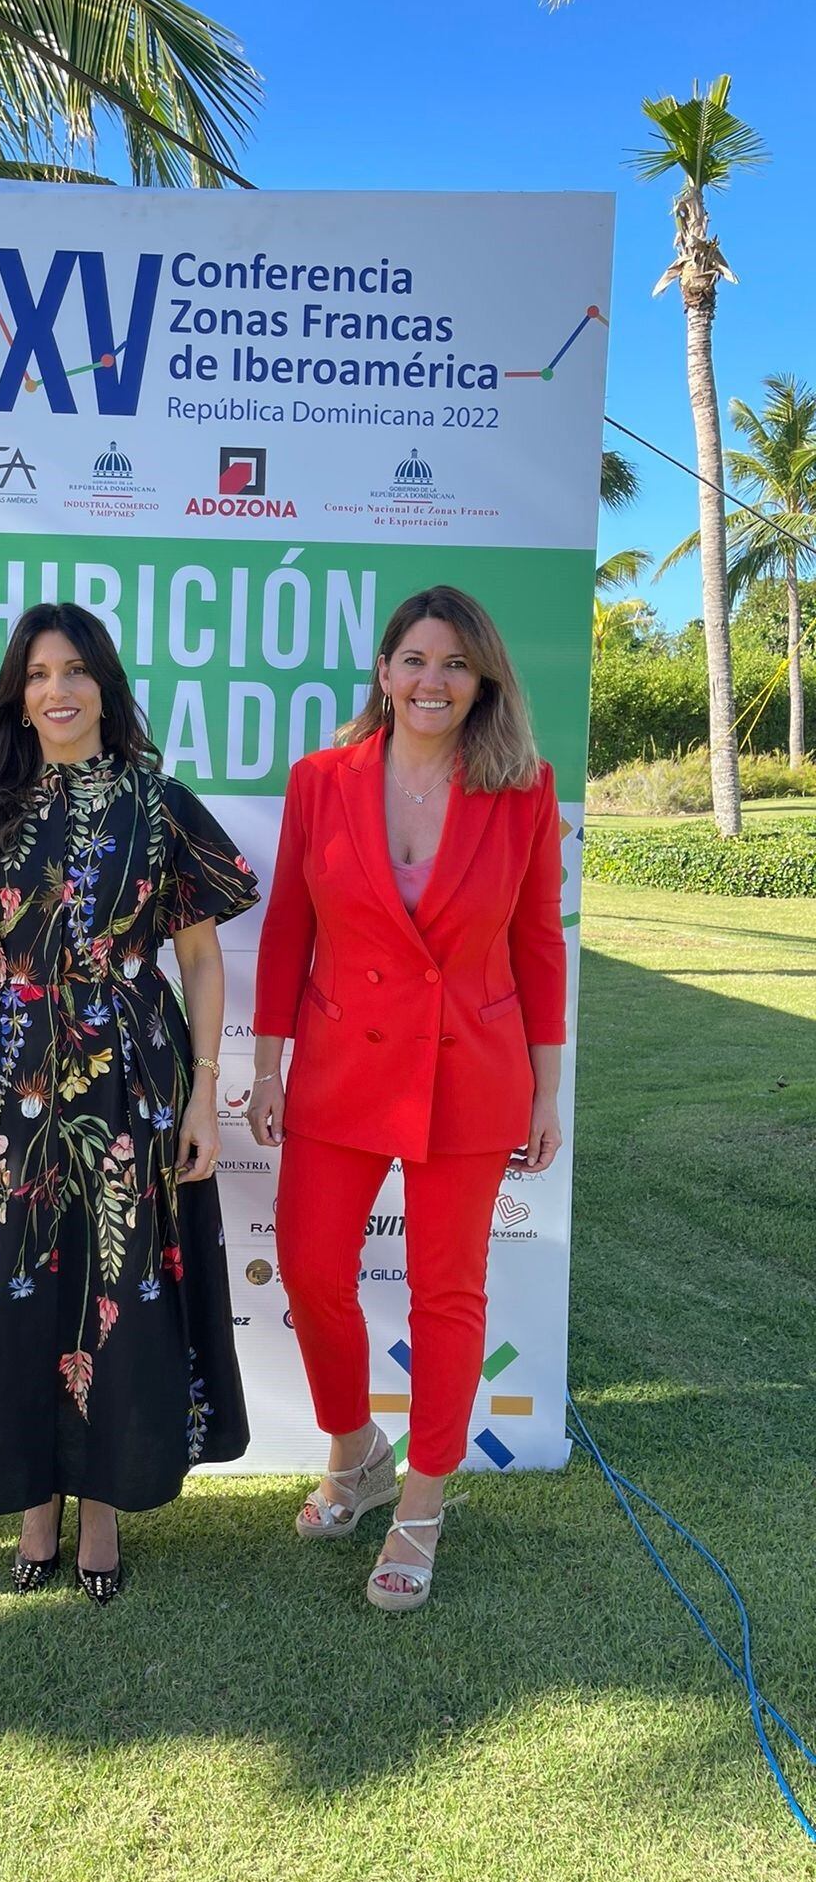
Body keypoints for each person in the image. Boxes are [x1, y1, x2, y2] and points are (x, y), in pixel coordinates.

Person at [0, 604, 255, 1605]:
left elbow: (202, 960)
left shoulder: (160, 803)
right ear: (18, 696)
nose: (56, 689)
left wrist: (205, 1090)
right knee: (13, 1289)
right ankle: (32, 1502)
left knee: (122, 1287)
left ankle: (103, 1505)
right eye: (36, 674)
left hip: (131, 1075)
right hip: (5, 1075)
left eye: (73, 670)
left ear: (105, 686)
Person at [248, 585, 566, 1613]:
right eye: (417, 659)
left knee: (446, 1295)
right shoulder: (321, 780)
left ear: (484, 682)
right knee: (310, 1267)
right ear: (384, 671)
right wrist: (266, 1065)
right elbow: (289, 926)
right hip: (341, 1064)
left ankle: (421, 1503)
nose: (435, 680)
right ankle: (356, 1449)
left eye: (456, 664)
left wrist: (548, 1090)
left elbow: (538, 945)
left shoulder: (524, 789)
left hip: (472, 1072)